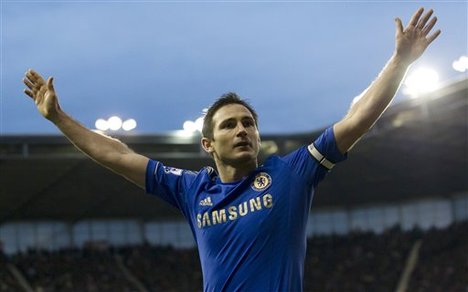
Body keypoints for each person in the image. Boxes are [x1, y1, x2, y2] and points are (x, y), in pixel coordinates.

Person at [23, 7, 440, 292]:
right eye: (229, 125)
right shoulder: (191, 190)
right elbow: (116, 154)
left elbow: (356, 120)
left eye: (249, 123)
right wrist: (60, 118)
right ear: (208, 144)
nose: (242, 130)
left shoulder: (291, 175)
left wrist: (400, 62)